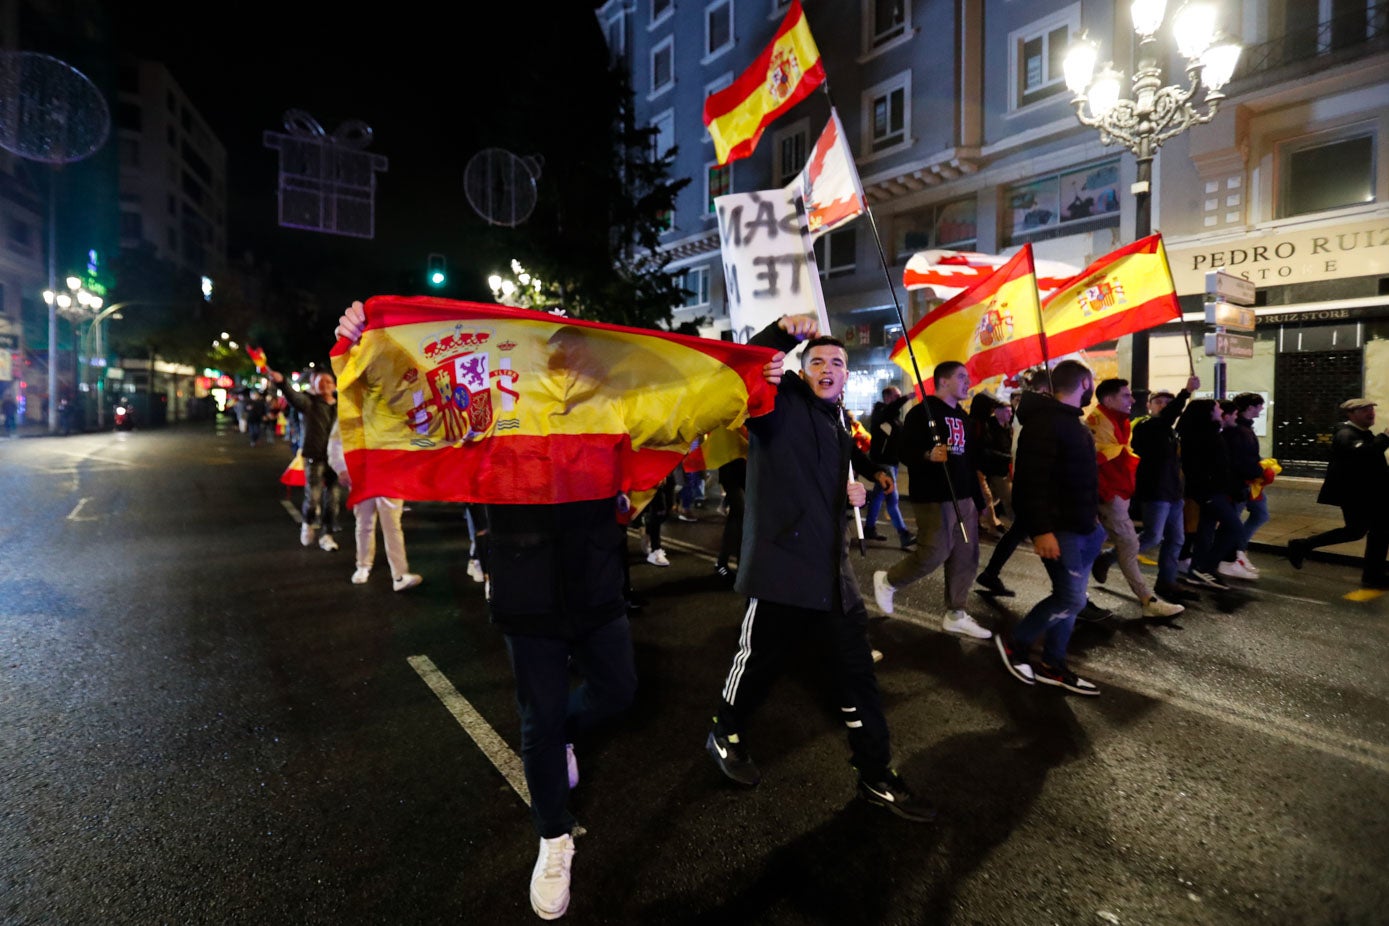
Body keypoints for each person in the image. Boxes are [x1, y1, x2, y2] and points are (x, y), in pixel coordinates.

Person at [337, 300, 637, 920]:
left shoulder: (612, 408)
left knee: (618, 693)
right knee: (539, 720)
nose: (561, 356)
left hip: (597, 584)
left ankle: (567, 740)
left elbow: (699, 401)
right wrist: (370, 342)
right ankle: (553, 839)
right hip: (527, 590)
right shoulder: (488, 413)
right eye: (548, 344)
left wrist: (769, 351)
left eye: (571, 344)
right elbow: (409, 395)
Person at [707, 316, 935, 823]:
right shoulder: (777, 404)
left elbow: (839, 464)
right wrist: (782, 332)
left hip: (833, 576)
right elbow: (741, 373)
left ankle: (875, 773)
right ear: (802, 370)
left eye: (837, 362)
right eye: (817, 361)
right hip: (779, 568)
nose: (828, 369)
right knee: (758, 663)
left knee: (858, 676)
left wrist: (866, 477)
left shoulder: (838, 422)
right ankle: (726, 729)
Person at [993, 359, 1106, 696]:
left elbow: (1077, 479)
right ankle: (1016, 644)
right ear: (1084, 383)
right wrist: (1041, 530)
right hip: (1061, 530)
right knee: (1070, 599)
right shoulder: (1045, 424)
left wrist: (1094, 518)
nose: (1094, 385)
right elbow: (1030, 484)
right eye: (1094, 380)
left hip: (1084, 527)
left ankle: (1053, 664)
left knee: (1071, 599)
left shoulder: (1072, 423)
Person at [872, 361, 992, 640]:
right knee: (934, 553)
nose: (967, 381)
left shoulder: (961, 416)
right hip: (935, 497)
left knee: (966, 556)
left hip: (963, 499)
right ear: (944, 381)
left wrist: (979, 500)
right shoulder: (921, 413)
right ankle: (889, 581)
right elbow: (904, 451)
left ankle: (956, 614)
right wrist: (927, 455)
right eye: (961, 377)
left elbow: (969, 461)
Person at [1085, 379, 1185, 619]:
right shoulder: (1098, 423)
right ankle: (1147, 600)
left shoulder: (1117, 423)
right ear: (1109, 399)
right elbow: (1099, 460)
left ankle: (1078, 595)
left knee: (1095, 545)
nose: (1132, 400)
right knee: (1129, 543)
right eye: (1126, 395)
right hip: (1109, 493)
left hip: (1116, 491)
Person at [1288, 398, 1389, 589]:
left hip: (1369, 494)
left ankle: (1373, 574)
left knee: (1376, 531)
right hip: (1356, 494)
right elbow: (1364, 455)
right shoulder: (1346, 434)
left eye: (1371, 409)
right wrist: (1385, 438)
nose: (1371, 412)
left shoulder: (1362, 433)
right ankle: (1302, 545)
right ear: (1350, 414)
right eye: (1364, 410)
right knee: (1360, 531)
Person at [327, 421, 422, 592]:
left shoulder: (391, 405)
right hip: (361, 475)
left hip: (389, 475)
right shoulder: (350, 410)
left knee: (392, 525)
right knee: (364, 523)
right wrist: (341, 468)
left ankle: (399, 574)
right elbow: (336, 441)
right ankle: (363, 565)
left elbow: (408, 437)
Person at [1132, 379, 1200, 603]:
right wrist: (1186, 392)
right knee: (1152, 536)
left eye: (1166, 402)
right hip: (1155, 491)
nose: (1162, 405)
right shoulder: (1146, 426)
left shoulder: (1171, 431)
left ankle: (1167, 581)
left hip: (1173, 493)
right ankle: (1108, 558)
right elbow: (1167, 418)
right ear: (1150, 406)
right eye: (1158, 402)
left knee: (1176, 539)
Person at [268, 367, 340, 551]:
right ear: (314, 385)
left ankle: (328, 535)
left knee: (332, 500)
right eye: (320, 382)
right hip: (314, 457)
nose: (324, 385)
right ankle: (307, 523)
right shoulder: (309, 403)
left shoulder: (342, 406)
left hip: (336, 460)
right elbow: (293, 397)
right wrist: (281, 381)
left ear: (334, 385)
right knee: (313, 497)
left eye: (328, 382)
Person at [1176, 398, 1239, 590]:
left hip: (1212, 490)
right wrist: (1211, 486)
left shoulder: (1208, 431)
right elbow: (1200, 467)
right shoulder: (1201, 435)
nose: (1220, 411)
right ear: (1208, 413)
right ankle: (1205, 566)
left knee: (1206, 530)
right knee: (1234, 527)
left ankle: (1197, 570)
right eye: (1217, 408)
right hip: (1209, 491)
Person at [1220, 392, 1269, 578]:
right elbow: (1240, 460)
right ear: (1250, 407)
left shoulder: (1244, 428)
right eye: (1259, 406)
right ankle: (1231, 556)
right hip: (1242, 482)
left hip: (1250, 481)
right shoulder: (1237, 429)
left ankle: (1237, 552)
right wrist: (1261, 471)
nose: (1262, 409)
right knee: (1235, 521)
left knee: (1260, 514)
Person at [864, 385, 916, 549]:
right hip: (883, 463)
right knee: (892, 499)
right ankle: (904, 534)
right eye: (896, 396)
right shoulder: (881, 414)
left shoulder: (894, 419)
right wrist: (906, 397)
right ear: (887, 398)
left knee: (879, 497)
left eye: (899, 396)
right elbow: (891, 409)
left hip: (891, 463)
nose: (898, 400)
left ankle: (869, 528)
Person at [969, 391, 1014, 536]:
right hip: (974, 468)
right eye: (991, 407)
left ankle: (978, 523)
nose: (992, 410)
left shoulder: (984, 424)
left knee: (986, 498)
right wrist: (1003, 457)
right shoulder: (975, 424)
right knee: (987, 496)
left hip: (983, 468)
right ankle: (994, 523)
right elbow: (980, 449)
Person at [714, 455, 746, 583]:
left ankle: (728, 563)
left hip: (744, 472)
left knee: (737, 519)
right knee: (740, 517)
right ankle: (725, 563)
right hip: (732, 473)